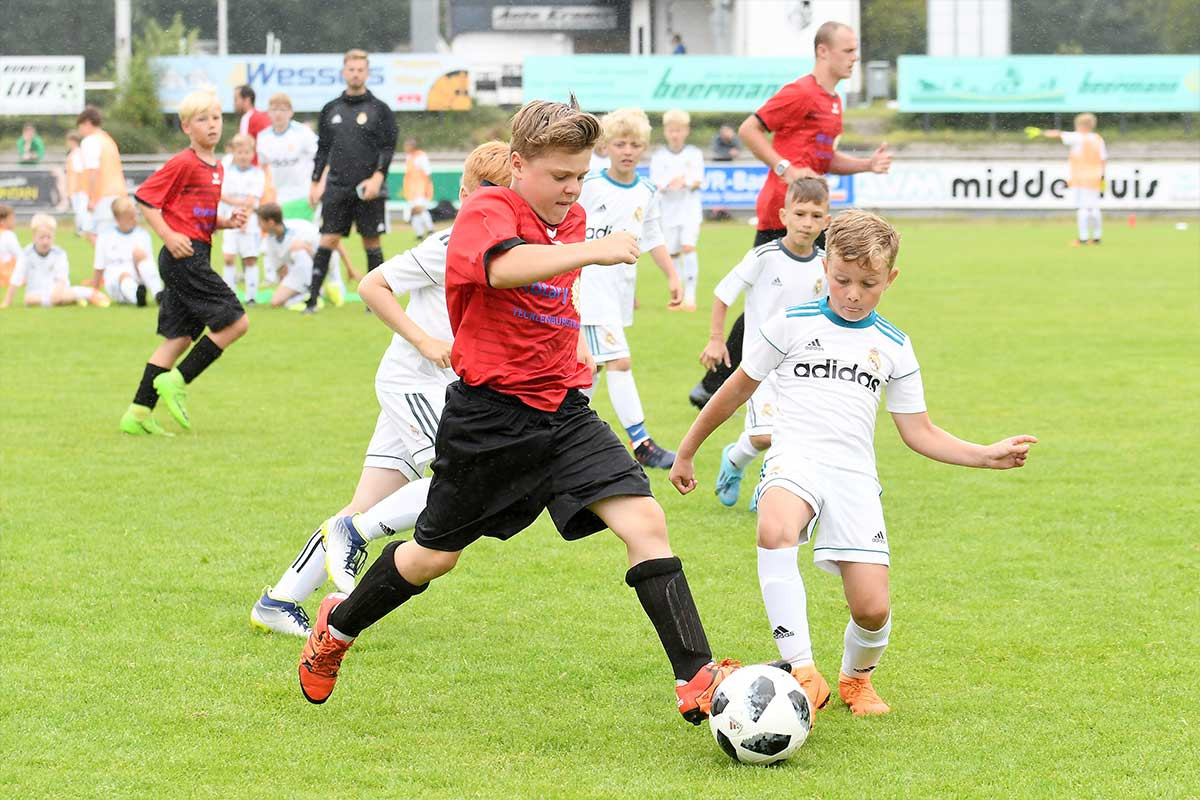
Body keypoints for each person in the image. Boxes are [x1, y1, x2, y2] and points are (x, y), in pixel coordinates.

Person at [296, 97, 739, 726]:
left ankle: (694, 675)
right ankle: (336, 630)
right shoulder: (486, 210)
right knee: (432, 557)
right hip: (489, 422)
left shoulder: (574, 215)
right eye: (558, 176)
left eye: (579, 175)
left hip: (565, 412)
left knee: (645, 523)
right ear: (516, 162)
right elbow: (503, 270)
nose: (571, 189)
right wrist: (592, 251)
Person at [670, 209, 1037, 722]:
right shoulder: (790, 324)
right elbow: (734, 392)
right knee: (775, 528)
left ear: (891, 278)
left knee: (872, 608)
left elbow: (919, 432)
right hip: (794, 456)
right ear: (825, 268)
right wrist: (687, 450)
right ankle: (800, 669)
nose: (852, 293)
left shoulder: (893, 344)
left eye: (868, 284)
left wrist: (986, 455)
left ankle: (855, 678)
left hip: (853, 476)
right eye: (842, 279)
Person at [250, 142, 512, 635]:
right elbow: (373, 285)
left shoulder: (506, 246)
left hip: (432, 385)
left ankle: (279, 599)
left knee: (366, 501)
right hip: (417, 381)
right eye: (488, 191)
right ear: (464, 193)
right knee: (460, 479)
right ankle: (353, 534)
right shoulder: (451, 243)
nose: (498, 202)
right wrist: (425, 339)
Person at [689, 20, 892, 408]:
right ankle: (716, 383)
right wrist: (785, 168)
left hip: (814, 211)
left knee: (807, 290)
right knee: (768, 297)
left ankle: (800, 368)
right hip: (784, 213)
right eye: (848, 51)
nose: (855, 58)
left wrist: (867, 164)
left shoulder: (834, 101)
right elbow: (750, 129)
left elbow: (825, 158)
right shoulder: (799, 92)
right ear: (823, 52)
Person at [119, 90, 250, 437]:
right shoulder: (184, 162)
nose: (212, 125)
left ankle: (137, 413)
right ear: (186, 127)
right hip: (184, 256)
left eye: (216, 118)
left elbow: (196, 215)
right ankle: (177, 381)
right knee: (237, 323)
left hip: (195, 251)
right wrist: (167, 236)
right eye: (202, 119)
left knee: (176, 339)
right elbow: (146, 198)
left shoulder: (217, 166)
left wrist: (226, 222)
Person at [704, 177, 830, 509]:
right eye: (800, 214)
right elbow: (722, 294)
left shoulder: (826, 265)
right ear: (783, 215)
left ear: (827, 221)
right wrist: (717, 340)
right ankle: (734, 460)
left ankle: (771, 487)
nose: (807, 223)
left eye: (816, 216)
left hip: (805, 365)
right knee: (764, 436)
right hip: (761, 365)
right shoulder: (764, 256)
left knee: (796, 434)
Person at [579, 108, 683, 470]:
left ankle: (561, 435)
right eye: (620, 143)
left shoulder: (646, 190)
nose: (627, 150)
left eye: (635, 144)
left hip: (617, 291)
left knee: (588, 370)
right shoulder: (588, 185)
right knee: (618, 361)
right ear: (605, 147)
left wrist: (672, 275)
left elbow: (651, 234)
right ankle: (642, 442)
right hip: (587, 289)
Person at [306, 49, 397, 313]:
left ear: (367, 73)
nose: (355, 73)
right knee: (327, 240)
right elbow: (323, 149)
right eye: (351, 69)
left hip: (368, 187)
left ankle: (374, 303)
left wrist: (378, 177)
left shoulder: (380, 110)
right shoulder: (330, 109)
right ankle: (311, 300)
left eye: (360, 69)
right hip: (337, 187)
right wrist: (315, 181)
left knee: (371, 242)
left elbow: (388, 147)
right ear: (344, 72)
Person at [650, 109, 705, 311]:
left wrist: (685, 181)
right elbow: (657, 183)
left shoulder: (694, 154)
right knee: (672, 253)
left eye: (679, 130)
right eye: (672, 130)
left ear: (686, 131)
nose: (675, 134)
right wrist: (670, 183)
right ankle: (677, 297)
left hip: (689, 209)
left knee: (688, 247)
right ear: (665, 131)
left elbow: (697, 180)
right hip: (667, 211)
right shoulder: (659, 156)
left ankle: (690, 298)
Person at [1, 214, 109, 309]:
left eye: (49, 237)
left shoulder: (59, 254)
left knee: (65, 293)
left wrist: (57, 291)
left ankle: (91, 294)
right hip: (35, 294)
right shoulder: (26, 254)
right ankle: (69, 300)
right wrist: (7, 301)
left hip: (58, 290)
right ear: (34, 237)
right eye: (41, 237)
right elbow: (16, 278)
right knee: (29, 300)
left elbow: (62, 278)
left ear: (54, 237)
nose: (45, 241)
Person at [254, 204, 350, 309]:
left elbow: (332, 242)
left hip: (325, 263)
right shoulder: (269, 241)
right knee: (276, 302)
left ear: (271, 222)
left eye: (260, 222)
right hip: (299, 270)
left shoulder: (300, 227)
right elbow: (280, 269)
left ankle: (314, 290)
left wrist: (350, 268)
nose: (258, 225)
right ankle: (314, 294)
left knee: (299, 251)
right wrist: (287, 288)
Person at [1043, 114, 1107, 246]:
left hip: (1081, 177)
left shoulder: (1078, 137)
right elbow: (1103, 159)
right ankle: (1096, 237)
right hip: (1096, 176)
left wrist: (1042, 132)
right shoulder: (1098, 138)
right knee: (1094, 207)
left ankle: (1083, 238)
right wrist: (1102, 176)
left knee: (1083, 208)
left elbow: (1058, 134)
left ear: (1082, 125)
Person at [219, 134, 268, 305]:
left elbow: (252, 199)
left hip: (250, 221)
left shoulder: (257, 174)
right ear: (234, 153)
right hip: (229, 220)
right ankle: (229, 296)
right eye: (240, 152)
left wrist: (244, 218)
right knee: (228, 257)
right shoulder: (227, 172)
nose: (243, 156)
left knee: (249, 258)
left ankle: (251, 296)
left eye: (247, 152)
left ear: (252, 153)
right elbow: (222, 195)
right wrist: (238, 204)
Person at [256, 93, 320, 222]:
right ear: (268, 113)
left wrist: (317, 188)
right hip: (278, 198)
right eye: (274, 110)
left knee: (307, 239)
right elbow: (262, 168)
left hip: (304, 195)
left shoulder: (303, 133)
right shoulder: (263, 137)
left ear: (291, 112)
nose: (278, 114)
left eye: (282, 110)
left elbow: (320, 158)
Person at [92, 196, 162, 306]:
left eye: (134, 216)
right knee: (124, 277)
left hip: (138, 276)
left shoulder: (142, 235)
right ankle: (137, 299)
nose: (134, 220)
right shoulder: (105, 236)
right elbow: (99, 266)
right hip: (116, 279)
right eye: (129, 218)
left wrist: (139, 261)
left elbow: (150, 265)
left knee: (140, 255)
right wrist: (94, 292)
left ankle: (158, 294)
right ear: (117, 219)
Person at [77, 105, 129, 237]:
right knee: (112, 237)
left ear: (88, 123)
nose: (80, 130)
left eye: (80, 126)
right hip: (118, 194)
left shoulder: (90, 141)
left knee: (97, 237)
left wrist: (92, 199)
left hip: (102, 197)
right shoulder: (107, 139)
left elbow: (93, 172)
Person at [64, 132, 95, 246]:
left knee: (81, 210)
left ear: (73, 141)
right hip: (77, 188)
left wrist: (75, 188)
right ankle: (81, 229)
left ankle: (84, 229)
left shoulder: (77, 154)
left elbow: (78, 172)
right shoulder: (76, 153)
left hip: (79, 188)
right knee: (79, 210)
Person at [403, 137, 435, 241]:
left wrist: (427, 188)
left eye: (407, 145)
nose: (405, 147)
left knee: (421, 209)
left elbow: (427, 173)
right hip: (411, 189)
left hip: (420, 187)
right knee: (414, 211)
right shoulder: (409, 157)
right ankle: (419, 233)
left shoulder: (421, 156)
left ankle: (430, 229)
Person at [234, 85, 272, 160]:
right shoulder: (263, 116)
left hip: (255, 166)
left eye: (236, 99)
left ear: (247, 100)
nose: (234, 103)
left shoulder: (247, 118)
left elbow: (243, 147)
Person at [0, 205, 21, 292]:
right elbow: (21, 257)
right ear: (3, 221)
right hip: (6, 274)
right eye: (12, 219)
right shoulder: (8, 235)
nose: (14, 222)